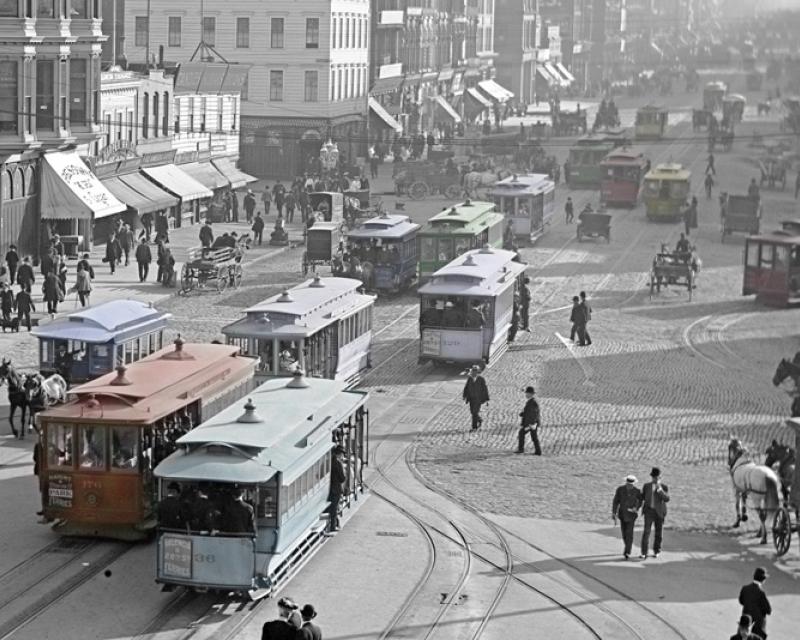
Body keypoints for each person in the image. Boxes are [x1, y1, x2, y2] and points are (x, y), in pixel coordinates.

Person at [639, 467, 669, 558]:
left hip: (659, 513)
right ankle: (644, 553)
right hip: (649, 512)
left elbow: (667, 499)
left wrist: (660, 490)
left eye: (658, 478)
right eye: (654, 478)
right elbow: (642, 498)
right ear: (652, 477)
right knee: (646, 532)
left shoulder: (664, 487)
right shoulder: (646, 486)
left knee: (658, 533)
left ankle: (657, 551)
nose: (656, 479)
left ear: (660, 478)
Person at [612, 475, 643, 560]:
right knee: (624, 533)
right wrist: (614, 512)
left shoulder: (637, 491)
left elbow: (640, 501)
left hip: (631, 516)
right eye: (628, 483)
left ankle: (627, 551)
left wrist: (636, 508)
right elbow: (615, 501)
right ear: (626, 482)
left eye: (631, 484)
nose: (629, 485)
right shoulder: (620, 489)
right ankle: (627, 546)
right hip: (622, 515)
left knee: (629, 533)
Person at [739, 567, 771, 640]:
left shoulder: (745, 588)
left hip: (745, 624)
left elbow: (741, 601)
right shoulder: (761, 593)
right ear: (763, 579)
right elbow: (768, 610)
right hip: (758, 627)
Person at [462, 365, 489, 431]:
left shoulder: (481, 379)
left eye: (475, 371)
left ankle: (474, 427)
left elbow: (484, 389)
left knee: (474, 412)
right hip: (471, 399)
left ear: (478, 372)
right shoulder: (470, 379)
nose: (474, 373)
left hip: (478, 399)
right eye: (473, 371)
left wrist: (486, 399)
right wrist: (464, 396)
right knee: (472, 412)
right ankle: (479, 419)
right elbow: (466, 387)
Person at [516, 386, 542, 454]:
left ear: (530, 394)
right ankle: (538, 451)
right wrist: (523, 414)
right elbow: (529, 412)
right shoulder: (531, 401)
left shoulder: (533, 402)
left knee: (521, 433)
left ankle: (521, 449)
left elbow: (533, 414)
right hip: (532, 423)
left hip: (531, 424)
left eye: (527, 393)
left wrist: (530, 424)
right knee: (534, 437)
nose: (526, 395)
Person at [328, 445, 347, 532]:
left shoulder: (329, 462)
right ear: (339, 454)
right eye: (342, 454)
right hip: (336, 490)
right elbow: (342, 478)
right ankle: (333, 526)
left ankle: (335, 523)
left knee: (332, 508)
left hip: (329, 489)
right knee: (334, 509)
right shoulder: (338, 464)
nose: (343, 456)